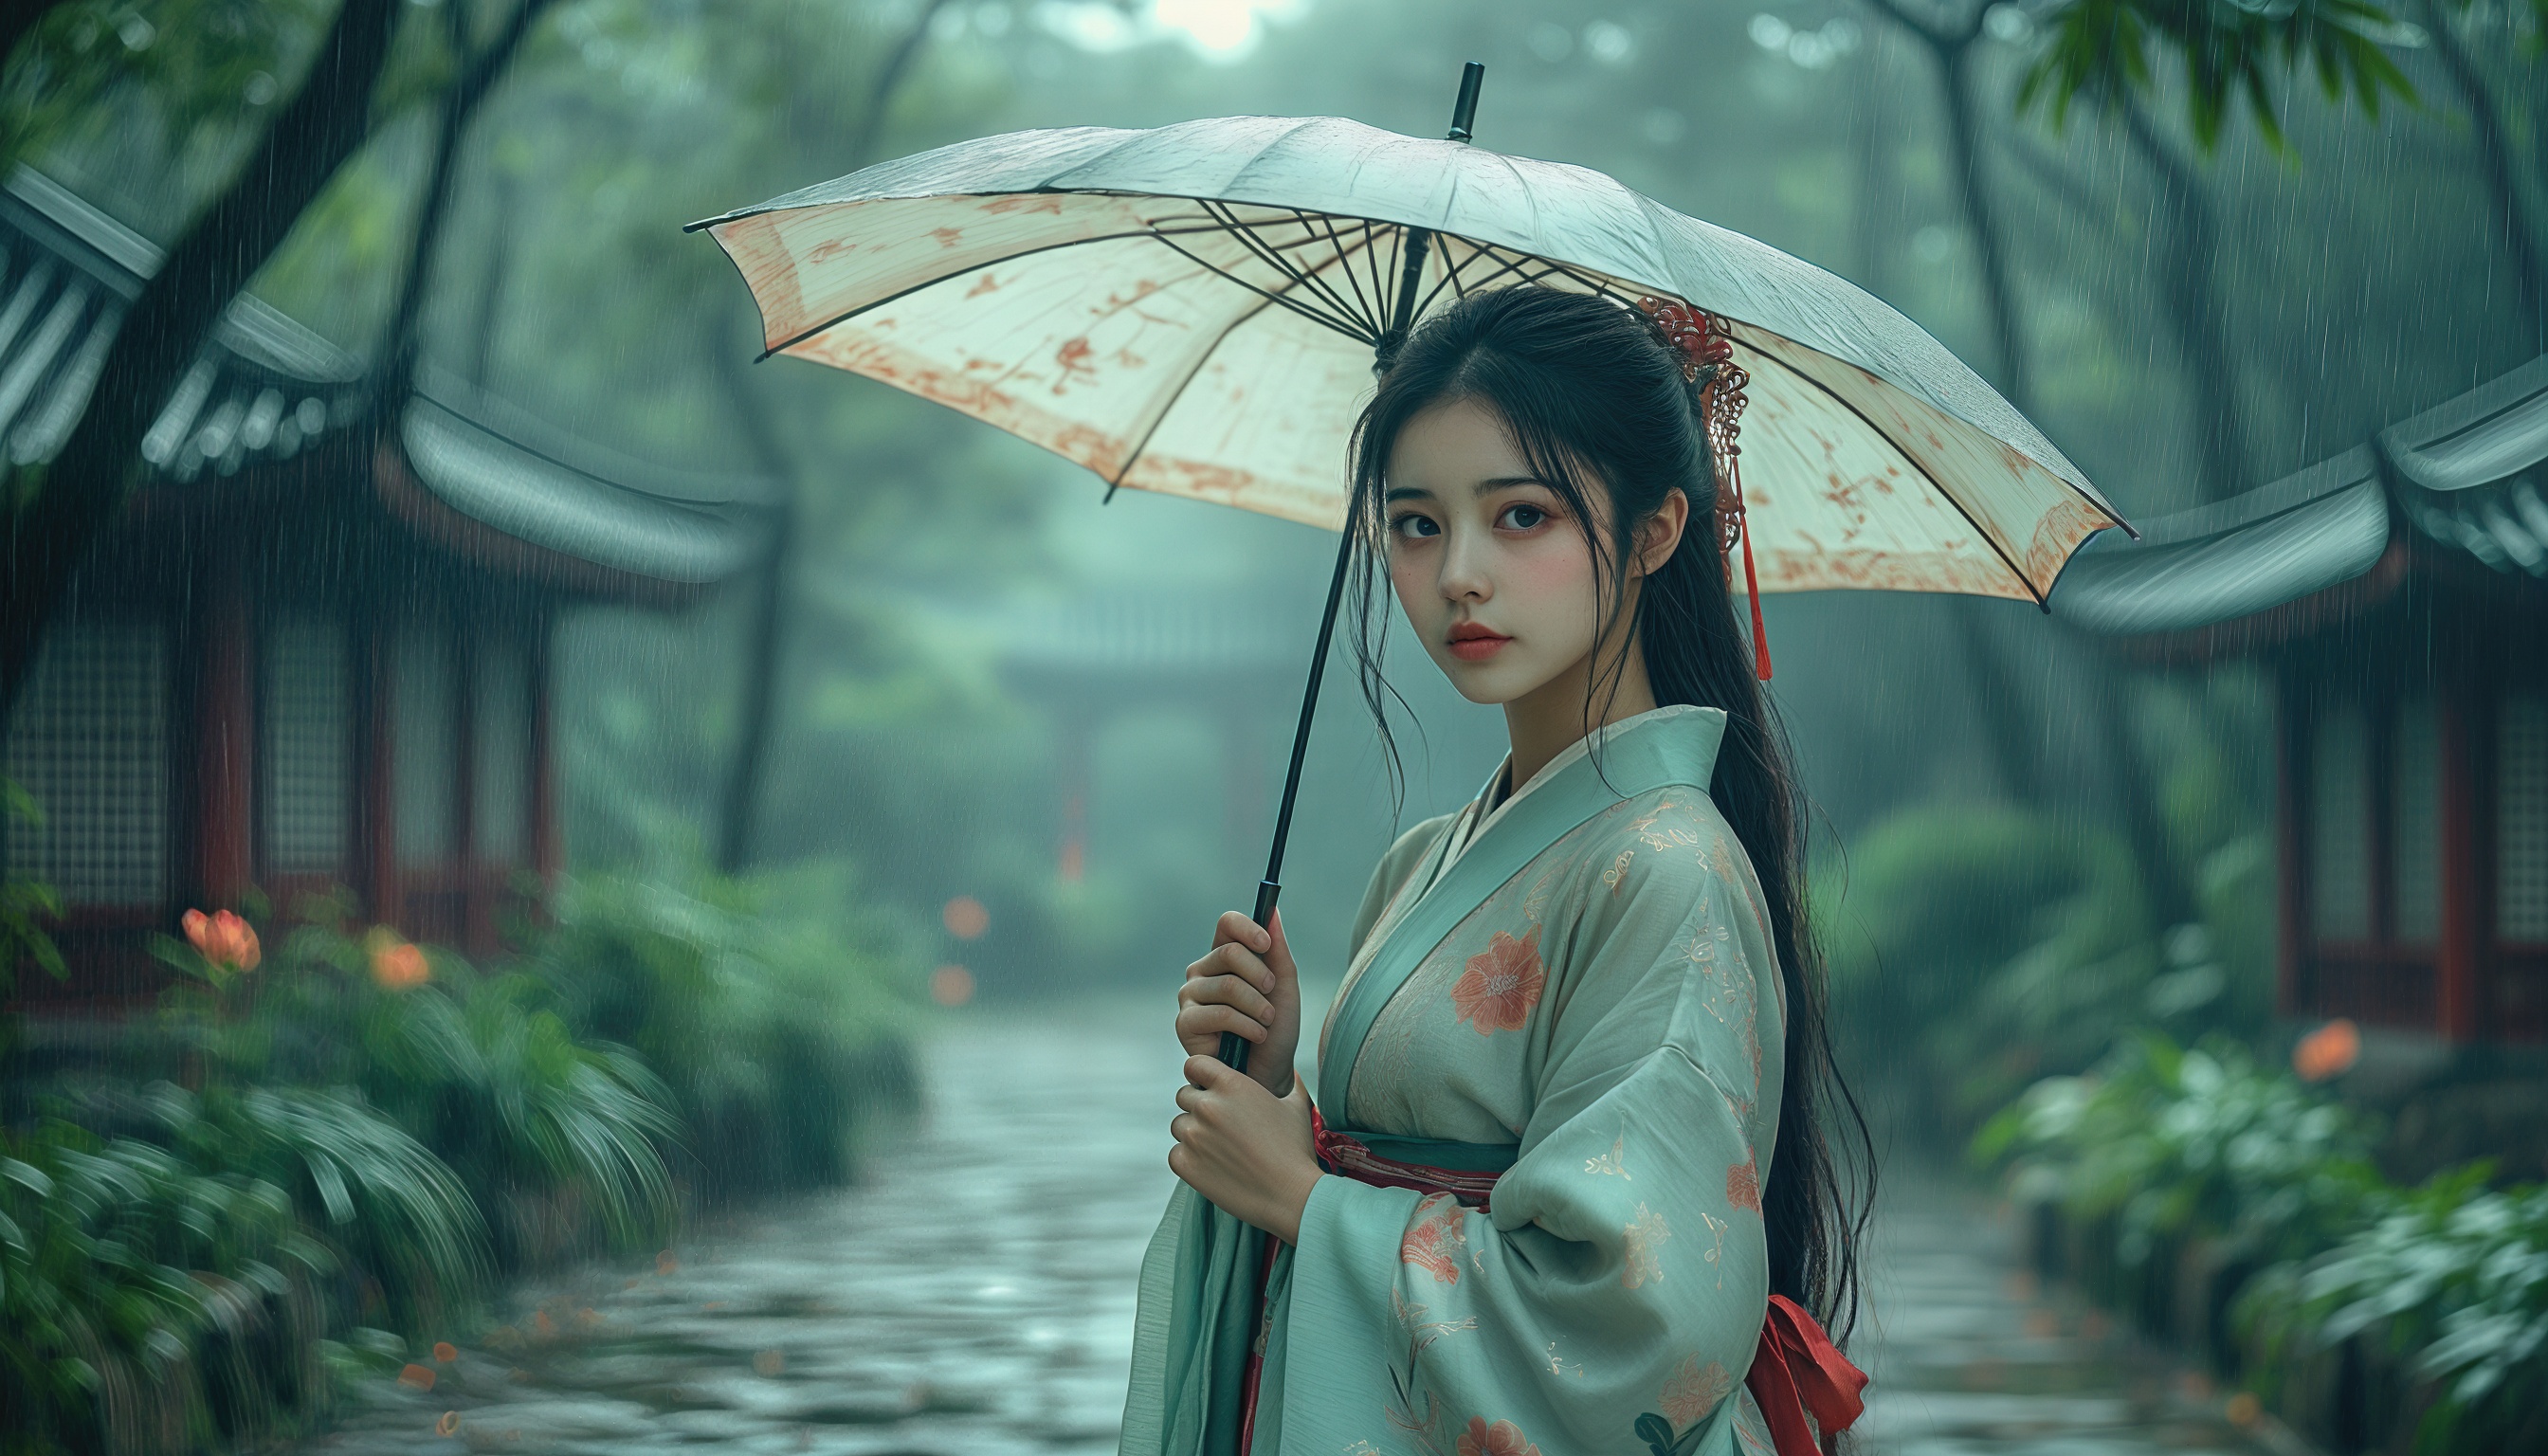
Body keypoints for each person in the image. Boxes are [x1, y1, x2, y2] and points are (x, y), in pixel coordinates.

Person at [1120, 286, 1872, 1456]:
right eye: (1417, 523)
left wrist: (1306, 1203)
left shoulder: (1668, 865)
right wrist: (1281, 1096)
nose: (1459, 573)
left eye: (1520, 516)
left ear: (1656, 530)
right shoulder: (1428, 857)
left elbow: (1634, 1317)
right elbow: (1406, 1164)